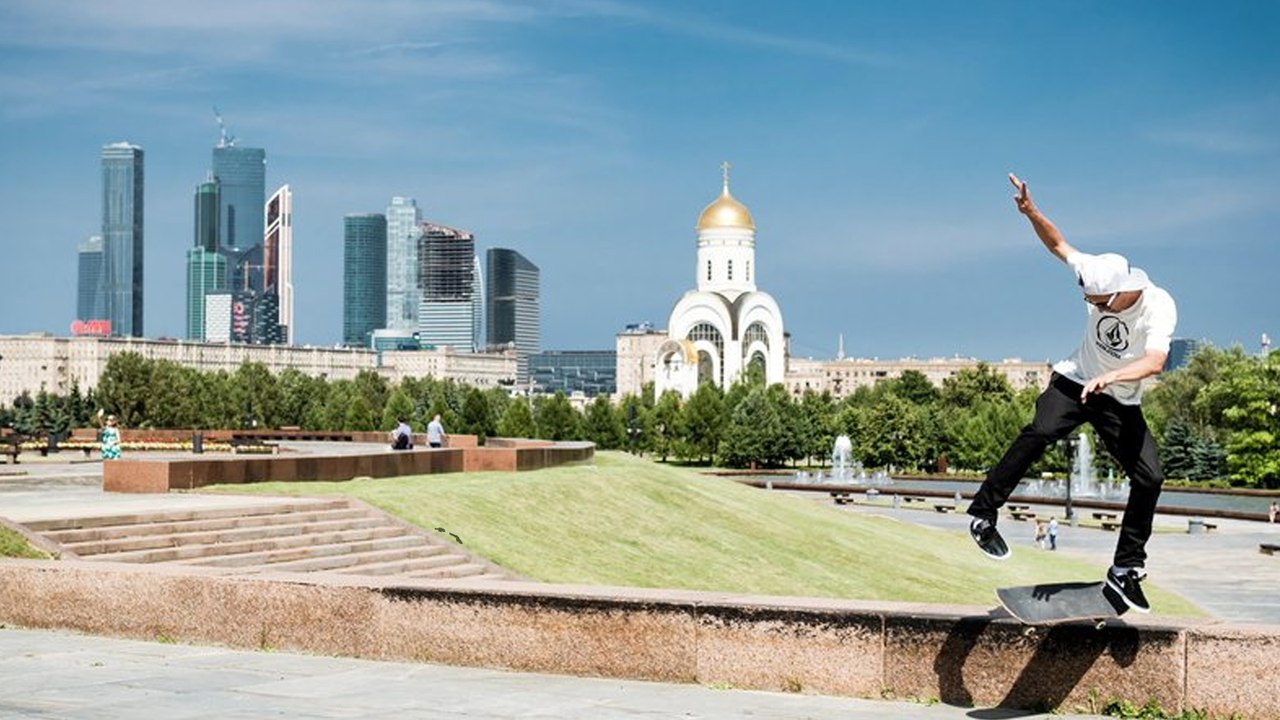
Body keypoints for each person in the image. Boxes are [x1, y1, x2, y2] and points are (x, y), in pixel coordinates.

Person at [967, 174, 1178, 614]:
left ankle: (1125, 569)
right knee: (1040, 431)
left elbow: (1156, 361)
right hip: (1075, 381)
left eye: (1101, 304)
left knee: (1150, 476)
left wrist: (1113, 376)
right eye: (1091, 301)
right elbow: (1058, 245)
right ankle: (983, 514)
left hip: (1119, 399)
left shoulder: (1159, 306)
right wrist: (1031, 212)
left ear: (1121, 293)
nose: (1094, 307)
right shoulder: (1094, 273)